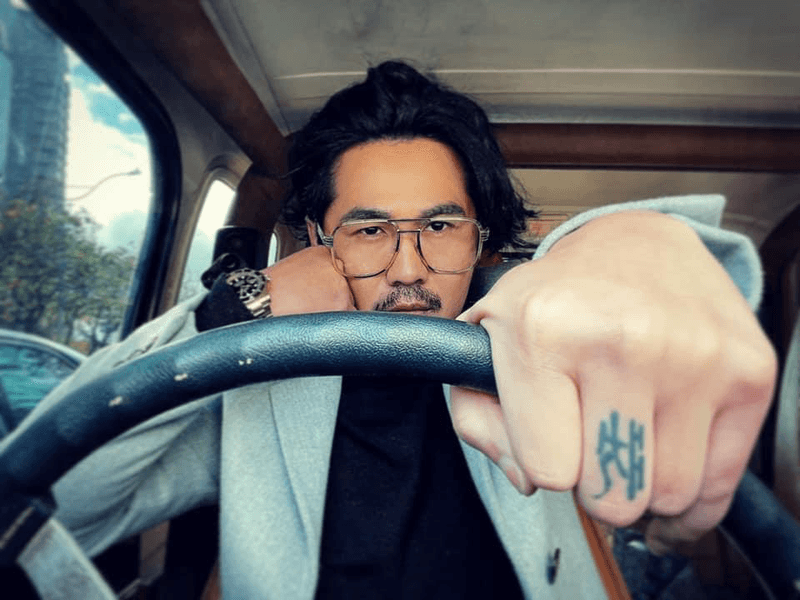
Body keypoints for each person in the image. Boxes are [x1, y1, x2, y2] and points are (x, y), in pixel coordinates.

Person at [34, 61, 774, 598]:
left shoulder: (534, 351)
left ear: (480, 240)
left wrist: (620, 246)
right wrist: (240, 305)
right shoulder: (257, 388)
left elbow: (598, 304)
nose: (409, 269)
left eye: (441, 227)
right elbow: (68, 506)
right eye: (368, 231)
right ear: (318, 241)